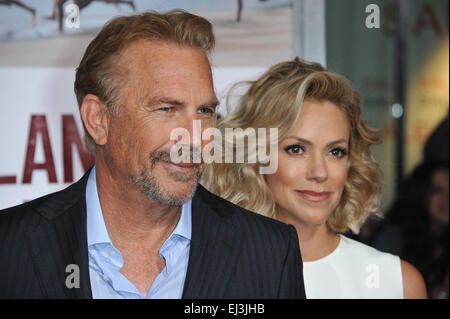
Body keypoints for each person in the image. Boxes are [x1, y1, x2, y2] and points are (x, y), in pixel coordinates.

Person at [0, 11, 306, 299]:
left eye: (205, 111)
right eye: (166, 109)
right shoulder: (10, 247)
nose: (195, 136)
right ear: (99, 120)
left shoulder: (269, 254)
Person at [202, 57, 428, 298]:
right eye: (296, 149)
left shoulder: (397, 282)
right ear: (257, 156)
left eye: (335, 152)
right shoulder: (208, 276)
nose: (320, 173)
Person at [370, 161, 449, 299]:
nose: (447, 198)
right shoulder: (393, 240)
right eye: (437, 190)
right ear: (420, 194)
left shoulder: (442, 243)